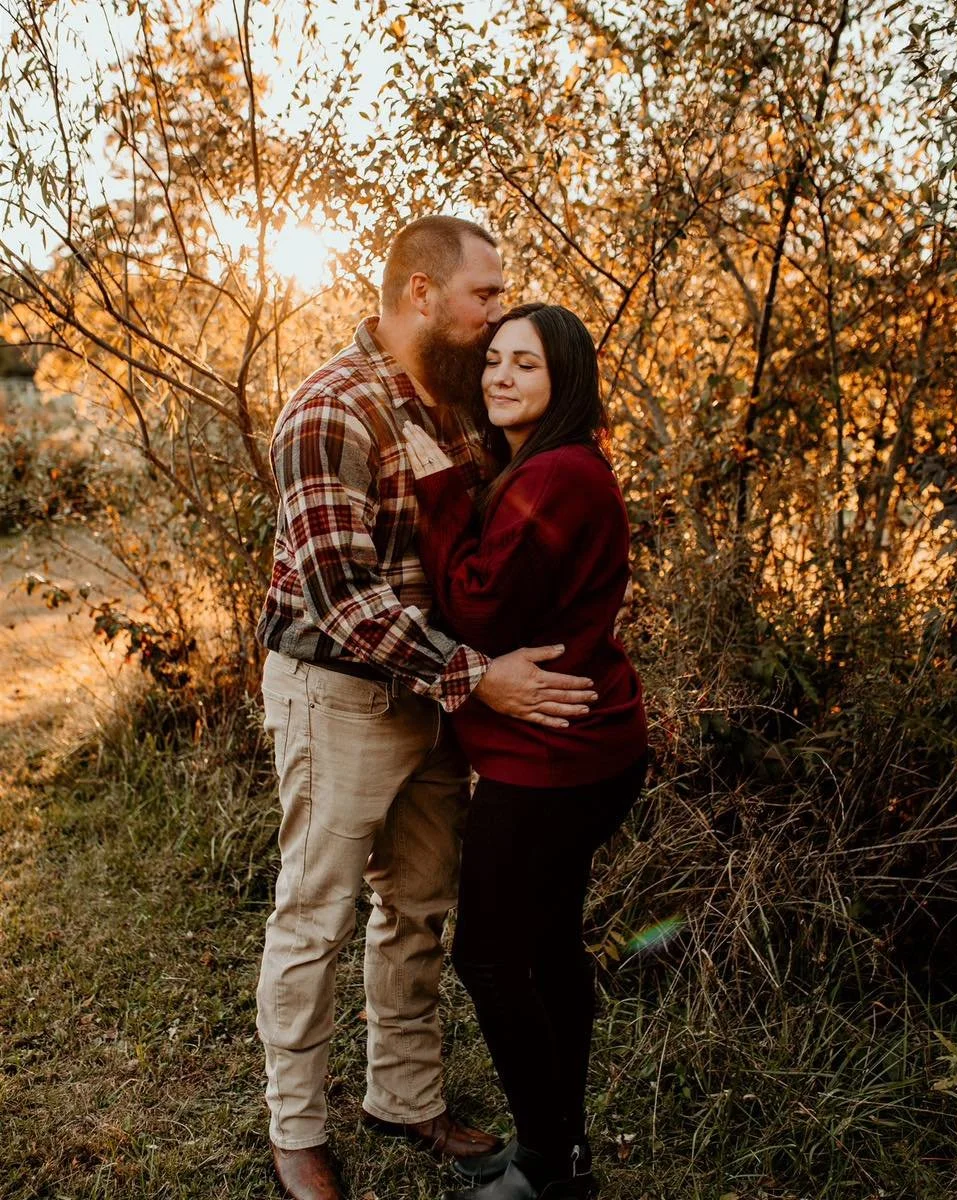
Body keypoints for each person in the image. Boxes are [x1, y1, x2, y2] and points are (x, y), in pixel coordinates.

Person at [255, 219, 600, 1200]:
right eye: (484, 294)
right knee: (315, 911)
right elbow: (341, 594)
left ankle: (402, 1098)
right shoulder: (332, 408)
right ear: (419, 292)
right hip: (340, 696)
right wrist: (478, 677)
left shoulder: (456, 406)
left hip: (435, 699)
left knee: (417, 907)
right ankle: (296, 1129)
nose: (497, 311)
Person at [402, 303, 649, 1200]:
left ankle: (550, 1163)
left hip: (552, 764)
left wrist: (435, 495)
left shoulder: (558, 478)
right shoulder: (542, 467)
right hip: (583, 748)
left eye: (528, 366)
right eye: (496, 360)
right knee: (545, 947)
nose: (502, 376)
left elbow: (475, 605)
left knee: (492, 959)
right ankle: (565, 1150)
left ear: (566, 382)